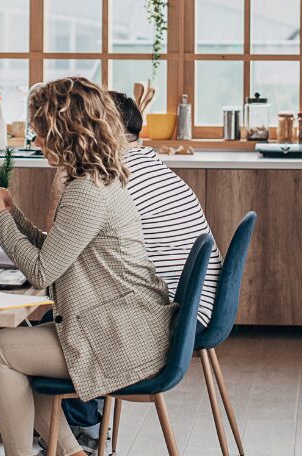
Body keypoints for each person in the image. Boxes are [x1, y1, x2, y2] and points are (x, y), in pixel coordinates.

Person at [0, 77, 177, 456]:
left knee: (0, 350)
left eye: (42, 132)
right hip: (130, 324)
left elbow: (43, 272)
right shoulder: (99, 177)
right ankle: (73, 453)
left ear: (65, 131)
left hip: (122, 338)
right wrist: (11, 213)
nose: (37, 140)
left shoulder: (86, 190)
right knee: (18, 352)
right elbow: (59, 250)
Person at [47, 91, 224, 450]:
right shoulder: (152, 168)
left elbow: (56, 255)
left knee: (60, 327)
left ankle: (81, 430)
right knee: (59, 323)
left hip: (170, 318)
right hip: (198, 307)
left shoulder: (112, 182)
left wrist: (62, 178)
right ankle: (70, 427)